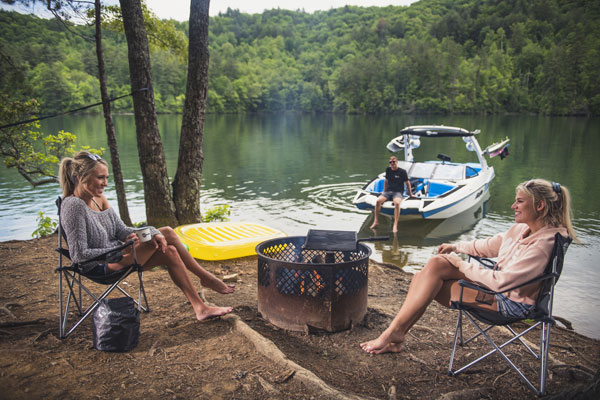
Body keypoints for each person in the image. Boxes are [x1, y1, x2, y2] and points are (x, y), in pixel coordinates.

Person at [361, 178, 576, 354]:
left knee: (426, 279)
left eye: (520, 202)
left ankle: (393, 334)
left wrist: (458, 263)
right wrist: (457, 247)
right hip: (498, 290)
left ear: (540, 205)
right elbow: (490, 245)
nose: (514, 206)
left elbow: (502, 283)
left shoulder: (543, 245)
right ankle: (395, 334)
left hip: (509, 304)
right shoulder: (523, 229)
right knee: (430, 270)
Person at [58, 151, 235, 321]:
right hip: (103, 266)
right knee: (166, 232)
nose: (105, 183)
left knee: (170, 249)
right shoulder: (74, 206)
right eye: (100, 178)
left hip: (121, 254)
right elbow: (79, 255)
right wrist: (120, 251)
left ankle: (201, 308)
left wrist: (150, 233)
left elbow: (122, 230)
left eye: (106, 178)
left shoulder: (99, 199)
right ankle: (206, 278)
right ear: (80, 177)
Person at [370, 155, 413, 233]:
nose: (392, 163)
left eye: (393, 162)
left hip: (398, 192)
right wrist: (384, 191)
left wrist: (410, 194)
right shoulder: (388, 170)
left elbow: (407, 183)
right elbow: (386, 181)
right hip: (388, 191)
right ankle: (376, 221)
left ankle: (395, 225)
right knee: (378, 201)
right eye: (390, 162)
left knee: (397, 203)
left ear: (397, 162)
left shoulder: (402, 172)